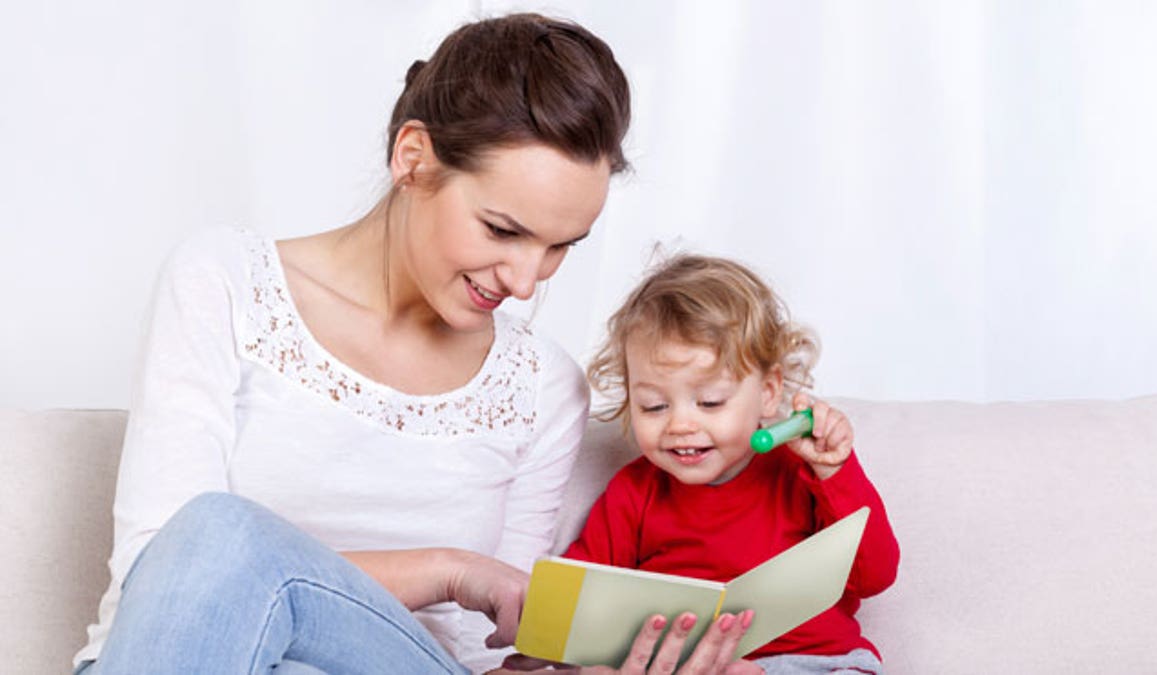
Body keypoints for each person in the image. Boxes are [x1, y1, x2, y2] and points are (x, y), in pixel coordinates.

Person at [73, 14, 757, 675]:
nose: (525, 281)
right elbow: (166, 565)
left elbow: (495, 652)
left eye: (559, 248)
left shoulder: (543, 384)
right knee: (216, 536)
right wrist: (450, 571)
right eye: (503, 229)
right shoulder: (223, 282)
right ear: (413, 159)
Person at [565, 254, 901, 675]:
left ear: (767, 391)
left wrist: (835, 472)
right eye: (653, 406)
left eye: (710, 402)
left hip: (817, 663)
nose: (681, 425)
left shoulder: (801, 472)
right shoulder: (635, 491)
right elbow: (578, 602)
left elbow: (876, 576)